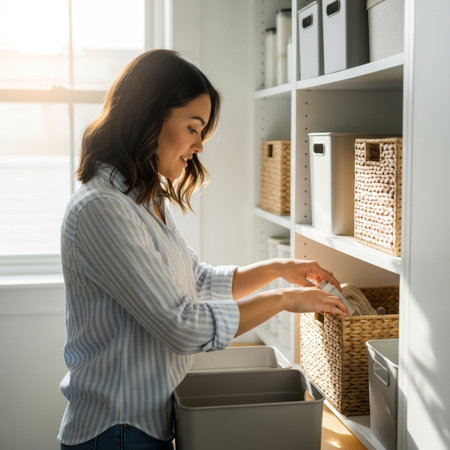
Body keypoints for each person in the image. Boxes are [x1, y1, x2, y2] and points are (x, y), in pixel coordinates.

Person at [58, 49, 349, 450]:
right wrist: (283, 299)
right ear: (149, 116)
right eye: (193, 128)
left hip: (143, 425)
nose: (199, 145)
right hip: (115, 431)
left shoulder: (141, 197)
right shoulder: (103, 208)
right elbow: (181, 325)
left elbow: (196, 281)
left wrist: (280, 268)